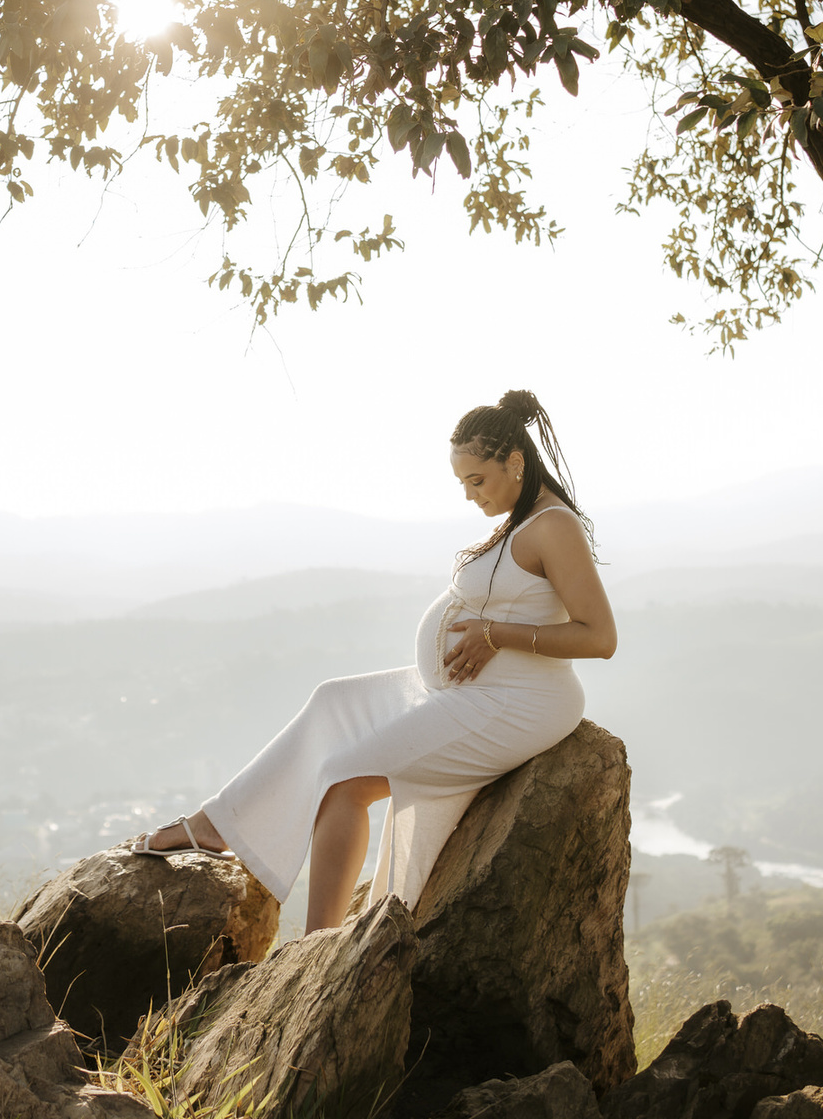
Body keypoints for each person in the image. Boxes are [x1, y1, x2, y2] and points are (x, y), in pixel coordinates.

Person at [133, 388, 618, 932]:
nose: (468, 496)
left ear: (516, 462)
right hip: (466, 688)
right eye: (462, 483)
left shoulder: (553, 526)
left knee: (345, 779)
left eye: (476, 480)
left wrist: (494, 632)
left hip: (515, 702)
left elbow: (599, 638)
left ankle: (320, 949)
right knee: (332, 702)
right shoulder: (520, 518)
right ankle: (215, 824)